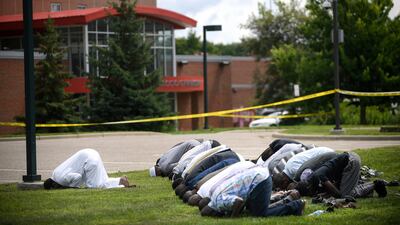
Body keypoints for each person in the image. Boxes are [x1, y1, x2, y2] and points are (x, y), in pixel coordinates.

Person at [200, 165, 305, 217]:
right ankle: (286, 198)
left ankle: (296, 205)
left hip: (258, 179)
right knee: (252, 207)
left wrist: (233, 218)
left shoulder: (218, 202)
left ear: (213, 212)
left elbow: (239, 202)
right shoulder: (214, 195)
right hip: (256, 174)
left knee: (259, 213)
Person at [293, 152, 387, 198]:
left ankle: (375, 185)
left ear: (309, 186)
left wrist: (326, 195)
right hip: (348, 161)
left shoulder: (318, 175)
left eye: (309, 192)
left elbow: (337, 194)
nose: (311, 194)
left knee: (347, 194)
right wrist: (325, 194)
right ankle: (371, 188)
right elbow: (334, 186)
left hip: (351, 162)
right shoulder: (314, 178)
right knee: (345, 188)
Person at [44, 148, 132, 189]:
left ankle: (120, 187)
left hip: (89, 160)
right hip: (91, 153)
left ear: (53, 186)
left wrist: (72, 187)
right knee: (103, 180)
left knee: (94, 187)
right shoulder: (55, 173)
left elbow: (77, 177)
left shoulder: (61, 180)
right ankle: (120, 180)